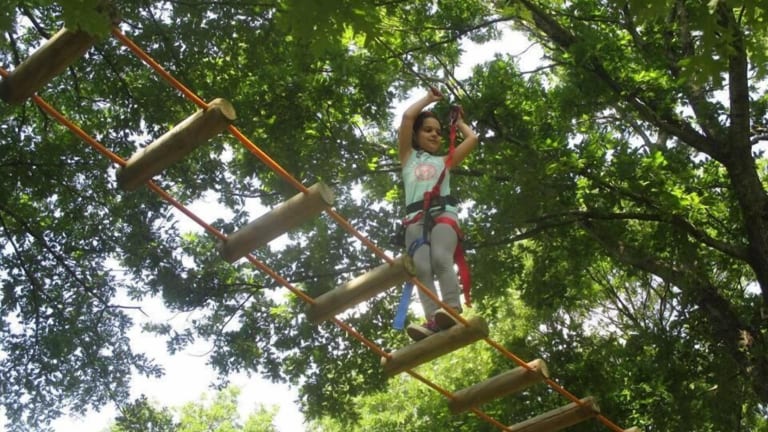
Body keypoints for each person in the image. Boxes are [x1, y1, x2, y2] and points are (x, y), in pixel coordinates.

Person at [397, 87, 479, 341]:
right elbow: (407, 118)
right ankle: (434, 318)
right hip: (415, 220)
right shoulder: (407, 157)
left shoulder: (445, 161)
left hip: (444, 215)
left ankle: (452, 308)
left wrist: (460, 123)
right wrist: (428, 99)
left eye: (438, 132)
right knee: (422, 268)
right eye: (428, 130)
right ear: (416, 135)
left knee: (441, 258)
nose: (434, 134)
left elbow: (472, 139)